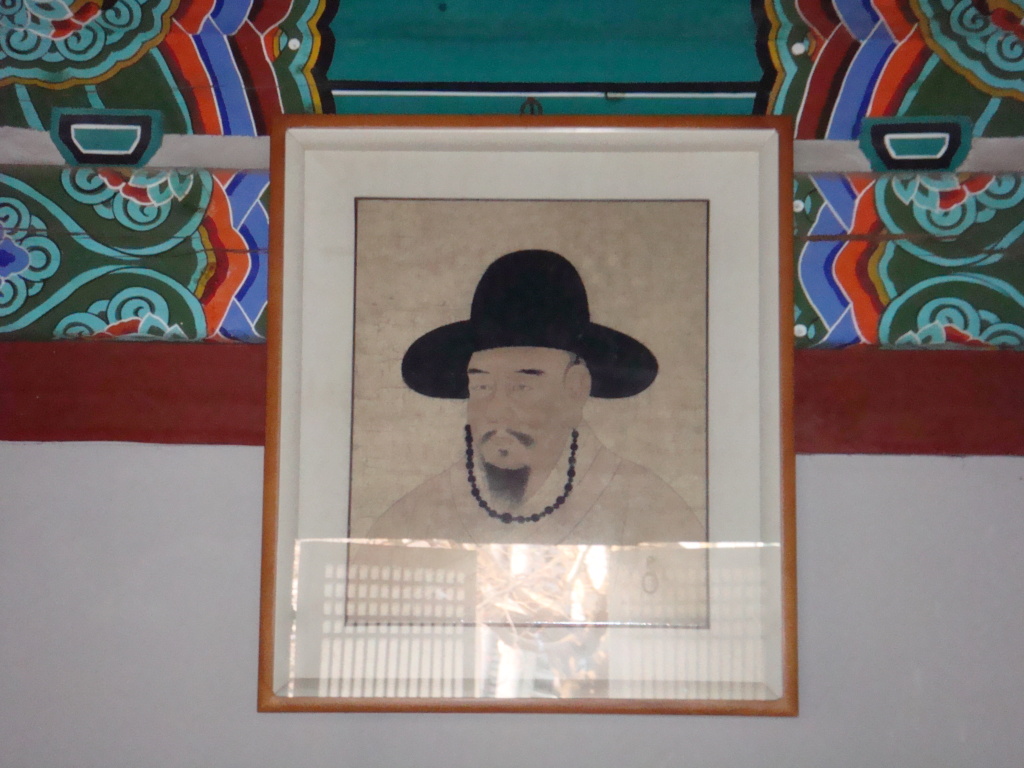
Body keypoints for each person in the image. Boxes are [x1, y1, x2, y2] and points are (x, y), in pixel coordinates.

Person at [368, 249, 705, 545]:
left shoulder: (649, 509)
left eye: (522, 387)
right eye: (482, 387)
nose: (497, 410)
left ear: (576, 387)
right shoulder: (414, 516)